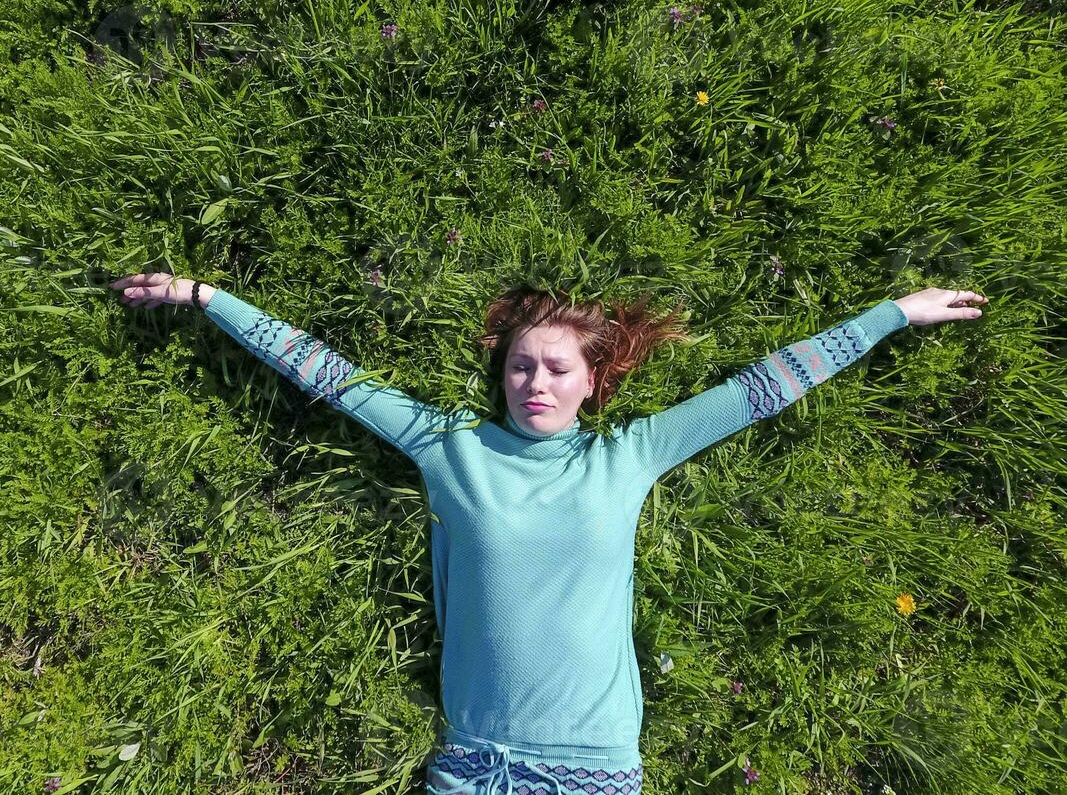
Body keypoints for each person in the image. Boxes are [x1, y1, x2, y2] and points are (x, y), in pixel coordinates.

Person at [109, 273, 988, 793]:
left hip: (591, 770)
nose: (534, 380)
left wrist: (891, 314)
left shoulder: (631, 456)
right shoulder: (447, 446)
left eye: (556, 367)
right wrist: (207, 297)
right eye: (520, 363)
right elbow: (327, 373)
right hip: (473, 767)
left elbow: (761, 386)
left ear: (591, 381)